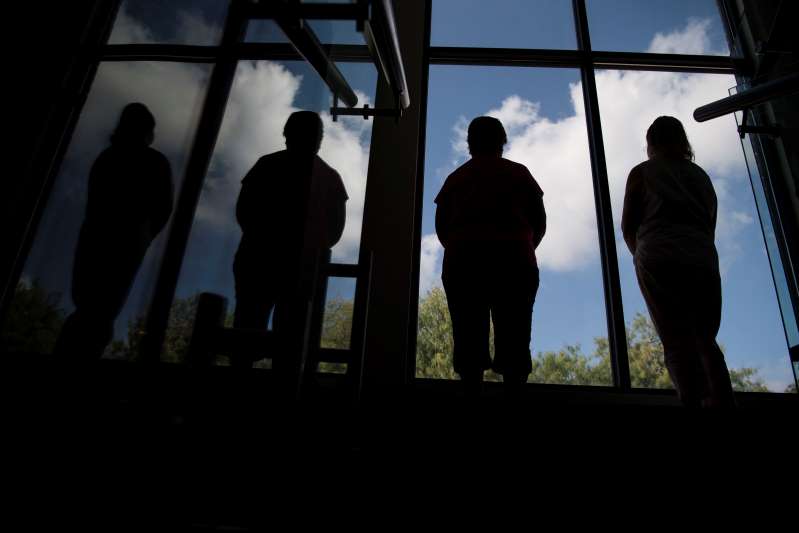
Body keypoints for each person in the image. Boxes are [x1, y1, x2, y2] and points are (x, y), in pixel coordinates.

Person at [621, 115, 736, 407]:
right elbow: (709, 224)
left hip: (657, 254)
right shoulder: (700, 176)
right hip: (701, 256)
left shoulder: (642, 173)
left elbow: (628, 225)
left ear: (650, 144)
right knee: (704, 337)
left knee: (675, 338)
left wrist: (640, 256)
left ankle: (692, 401)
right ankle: (721, 401)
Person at [435, 116, 546, 397]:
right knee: (515, 342)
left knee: (468, 344)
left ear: (470, 143)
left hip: (463, 265)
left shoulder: (456, 179)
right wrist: (521, 247)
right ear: (502, 141)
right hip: (515, 264)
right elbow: (539, 222)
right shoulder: (520, 174)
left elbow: (442, 228)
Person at [55, 102, 173, 359]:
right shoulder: (153, 161)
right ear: (147, 131)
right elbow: (163, 209)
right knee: (98, 315)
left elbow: (95, 205)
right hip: (123, 242)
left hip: (97, 239)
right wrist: (142, 235)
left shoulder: (107, 158)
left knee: (91, 312)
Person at [233, 110, 348, 369]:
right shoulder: (329, 178)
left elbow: (245, 210)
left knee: (248, 336)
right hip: (292, 266)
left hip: (260, 259)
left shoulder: (268, 165)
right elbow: (334, 230)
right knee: (288, 345)